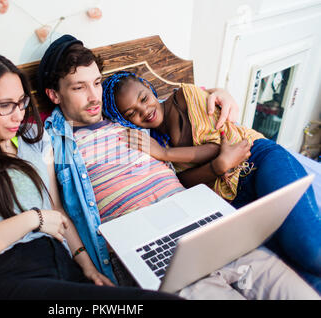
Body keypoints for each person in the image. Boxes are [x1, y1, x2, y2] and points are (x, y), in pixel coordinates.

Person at [39, 35, 319, 299]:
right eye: (79, 87)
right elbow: (57, 211)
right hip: (149, 243)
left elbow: (167, 105)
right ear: (54, 95)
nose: (93, 96)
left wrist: (216, 92)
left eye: (97, 83)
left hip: (203, 217)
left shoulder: (123, 115)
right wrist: (87, 267)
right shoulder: (53, 140)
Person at [0, 50, 182, 300]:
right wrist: (33, 219)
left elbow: (57, 210)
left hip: (65, 271)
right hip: (8, 277)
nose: (18, 115)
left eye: (21, 102)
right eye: (6, 105)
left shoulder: (35, 141)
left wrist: (88, 267)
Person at [101, 71, 321, 293]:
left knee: (309, 248)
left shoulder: (184, 97)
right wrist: (217, 167)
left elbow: (218, 147)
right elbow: (188, 182)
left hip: (258, 162)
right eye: (132, 113)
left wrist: (166, 154)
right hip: (231, 198)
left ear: (148, 87)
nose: (144, 110)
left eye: (143, 99)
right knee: (290, 267)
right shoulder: (152, 143)